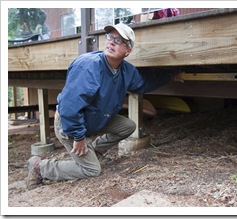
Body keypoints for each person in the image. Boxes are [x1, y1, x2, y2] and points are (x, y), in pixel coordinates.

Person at [25, 22, 183, 190]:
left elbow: (143, 83)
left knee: (128, 126)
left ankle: (94, 152)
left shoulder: (125, 71)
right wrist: (78, 136)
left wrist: (171, 75)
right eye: (110, 37)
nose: (111, 42)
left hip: (96, 119)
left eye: (119, 40)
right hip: (70, 125)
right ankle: (41, 167)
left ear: (128, 50)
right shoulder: (89, 66)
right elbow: (69, 108)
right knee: (91, 170)